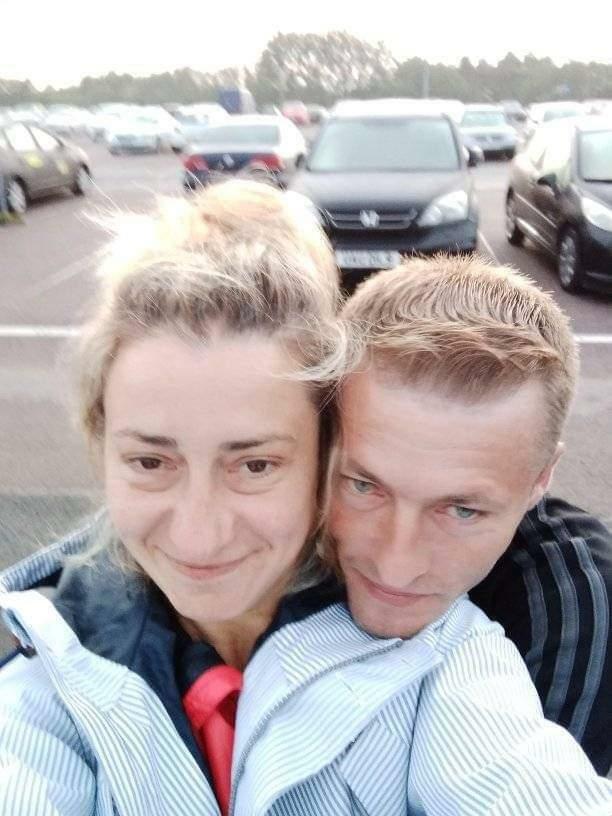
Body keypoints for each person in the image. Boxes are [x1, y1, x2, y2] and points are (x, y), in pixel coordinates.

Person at [0, 187, 610, 815]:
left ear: (323, 451)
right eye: (150, 462)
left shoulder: (444, 660)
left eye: (255, 465)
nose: (198, 536)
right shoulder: (50, 665)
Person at [336, 256, 612, 776]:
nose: (396, 566)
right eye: (364, 486)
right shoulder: (250, 529)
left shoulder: (576, 609)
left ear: (541, 479)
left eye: (462, 510)